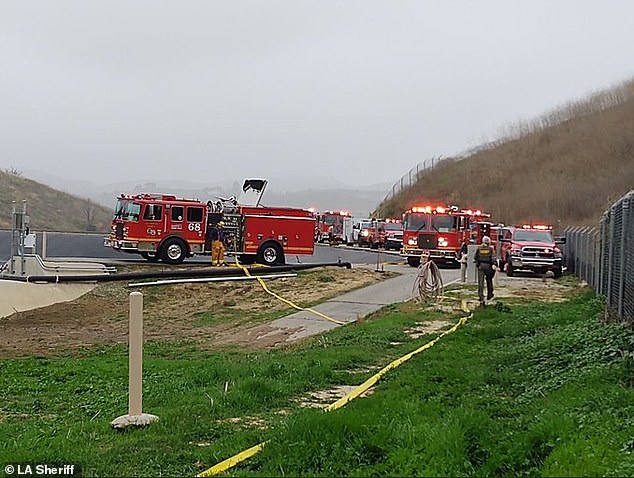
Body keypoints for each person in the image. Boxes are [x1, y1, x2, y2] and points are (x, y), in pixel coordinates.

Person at [474, 235, 496, 305]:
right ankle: (490, 294)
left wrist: (477, 264)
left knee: (481, 282)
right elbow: (493, 258)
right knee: (489, 280)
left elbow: (475, 257)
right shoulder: (490, 249)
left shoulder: (479, 248)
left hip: (481, 266)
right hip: (488, 266)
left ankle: (481, 296)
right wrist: (494, 264)